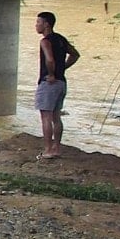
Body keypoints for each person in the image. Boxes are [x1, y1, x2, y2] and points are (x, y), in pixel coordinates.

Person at [35, 10, 80, 159]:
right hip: (62, 82)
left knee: (46, 117)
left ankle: (48, 150)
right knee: (56, 116)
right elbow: (75, 54)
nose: (36, 25)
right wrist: (63, 69)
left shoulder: (45, 41)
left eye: (38, 22)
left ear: (46, 24)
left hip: (49, 83)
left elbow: (49, 59)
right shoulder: (61, 39)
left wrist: (52, 73)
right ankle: (57, 148)